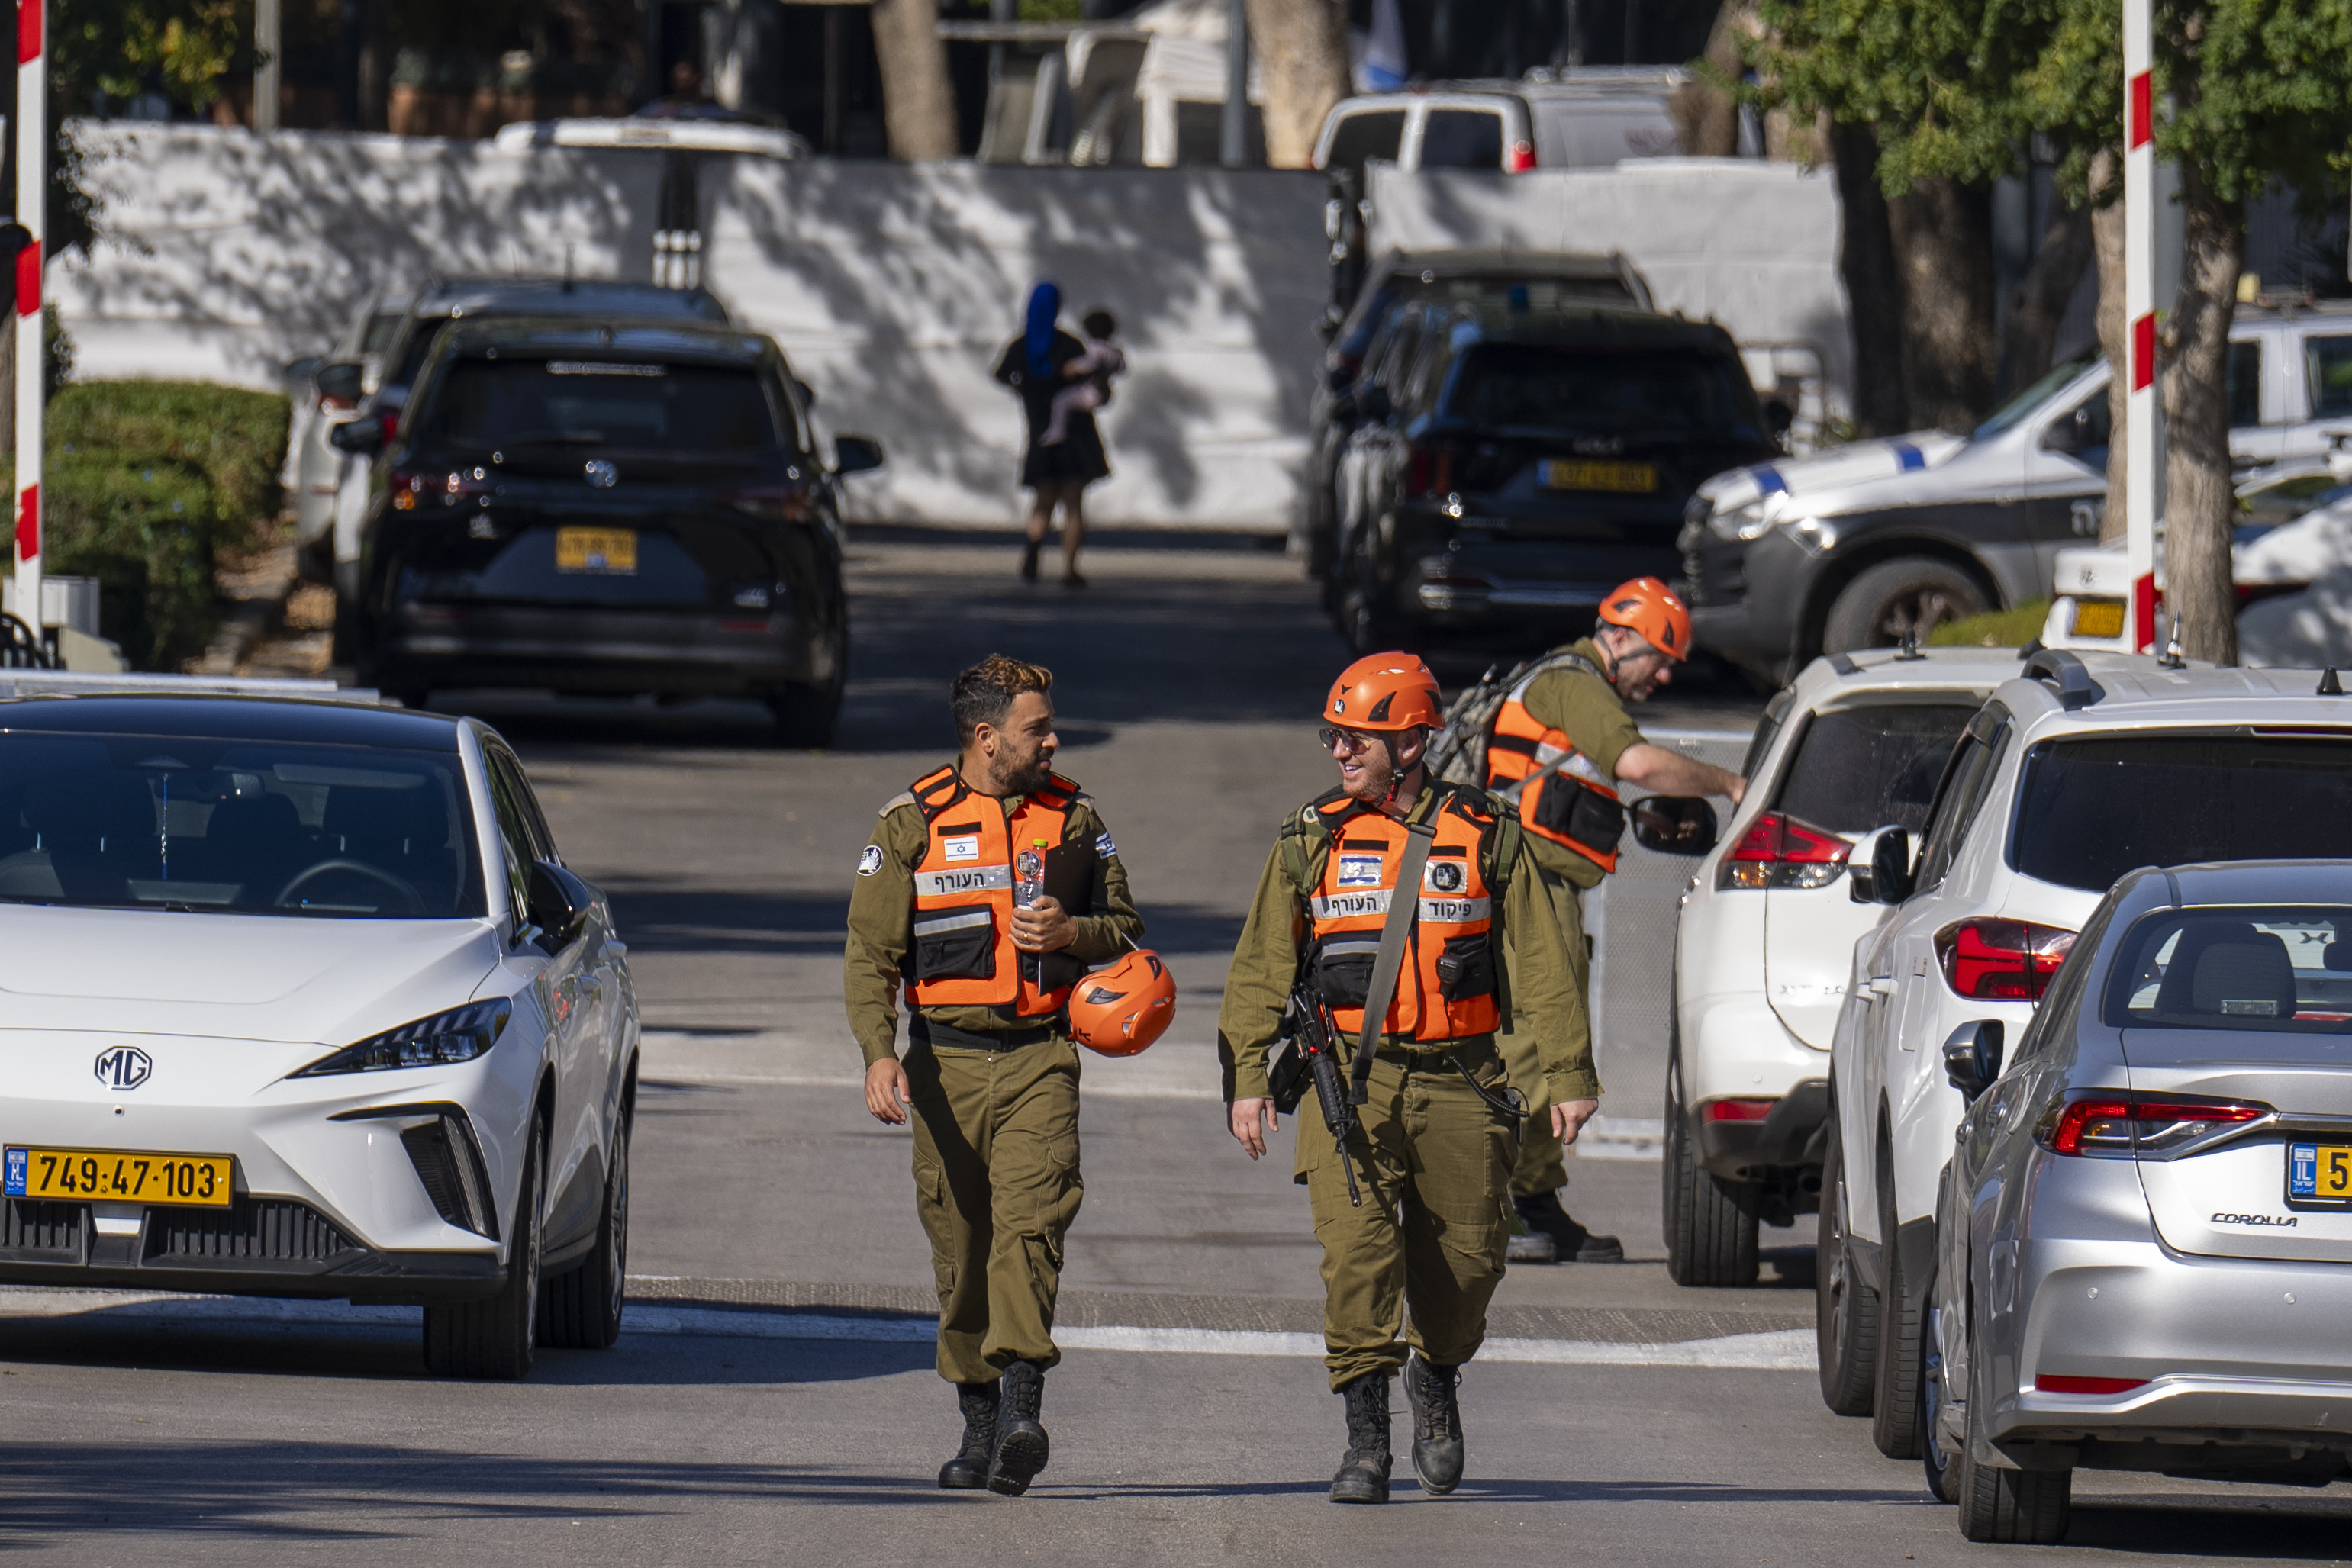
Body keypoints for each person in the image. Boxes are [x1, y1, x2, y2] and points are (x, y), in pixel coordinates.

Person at [1217, 652, 1596, 1505]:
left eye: (1360, 738)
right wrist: (1246, 1075)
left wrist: (1568, 1071)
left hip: (1464, 1081)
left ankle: (1438, 1374)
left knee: (1467, 1272)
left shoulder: (1487, 831)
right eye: (1335, 736)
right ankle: (1365, 1442)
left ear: (1417, 742)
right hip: (1349, 1085)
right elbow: (1258, 968)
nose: (1341, 752)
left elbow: (1541, 959)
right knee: (1356, 1260)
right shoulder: (1308, 837)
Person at [843, 653, 1144, 1497]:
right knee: (961, 1248)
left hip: (1039, 1057)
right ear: (986, 737)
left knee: (1029, 1228)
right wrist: (876, 1053)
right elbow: (870, 955)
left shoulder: (1074, 817)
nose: (1053, 740)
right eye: (1035, 728)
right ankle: (977, 1422)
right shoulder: (911, 823)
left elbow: (1123, 925)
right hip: (941, 1065)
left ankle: (1021, 1407)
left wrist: (1073, 933)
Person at [1481, 577, 1747, 1264]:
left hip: (1539, 887)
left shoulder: (1567, 686)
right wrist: (1729, 783)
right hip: (1527, 889)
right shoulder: (1575, 683)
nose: (1662, 675)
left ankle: (1533, 1197)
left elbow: (1572, 785)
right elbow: (1637, 763)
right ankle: (1501, 1201)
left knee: (1544, 1043)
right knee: (1533, 1046)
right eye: (1659, 657)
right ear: (1620, 637)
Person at [993, 282, 1110, 588]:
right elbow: (1094, 381)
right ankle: (1070, 569)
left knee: (1042, 500)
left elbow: (1000, 374)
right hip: (1076, 434)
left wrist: (1023, 389)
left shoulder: (1019, 347)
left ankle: (1033, 550)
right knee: (1073, 504)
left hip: (1040, 433)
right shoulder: (1070, 345)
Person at [1042, 309, 1126, 448]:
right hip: (1107, 393)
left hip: (1091, 391)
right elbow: (1122, 369)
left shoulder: (1096, 347)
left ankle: (1058, 432)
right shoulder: (1115, 351)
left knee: (1060, 400)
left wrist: (1073, 366)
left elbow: (1092, 362)